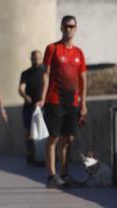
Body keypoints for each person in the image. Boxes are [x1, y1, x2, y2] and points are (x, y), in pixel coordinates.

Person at [37, 15, 88, 189]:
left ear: (76, 28)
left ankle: (65, 174)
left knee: (68, 138)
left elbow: (83, 79)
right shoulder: (52, 49)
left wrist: (83, 103)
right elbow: (46, 74)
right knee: (54, 137)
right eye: (66, 26)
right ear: (61, 27)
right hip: (54, 98)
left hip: (72, 101)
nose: (69, 29)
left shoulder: (79, 52)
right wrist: (42, 97)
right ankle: (51, 175)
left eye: (72, 26)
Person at [18, 50, 45, 165]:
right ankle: (31, 155)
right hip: (29, 107)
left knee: (43, 133)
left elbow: (47, 86)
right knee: (29, 132)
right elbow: (21, 88)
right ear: (31, 59)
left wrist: (42, 99)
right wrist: (25, 96)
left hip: (42, 106)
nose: (36, 60)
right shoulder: (26, 73)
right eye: (34, 58)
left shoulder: (45, 72)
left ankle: (43, 157)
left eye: (38, 58)